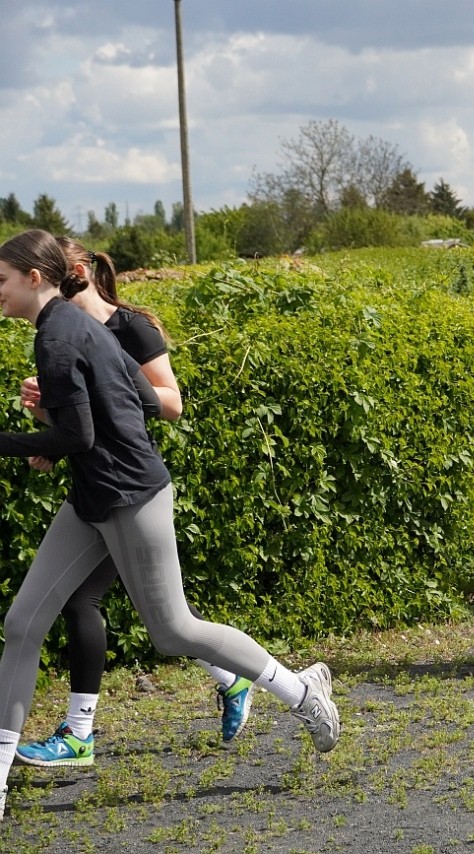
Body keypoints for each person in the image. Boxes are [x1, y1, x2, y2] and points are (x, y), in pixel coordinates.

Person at [0, 230, 339, 821]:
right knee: (22, 623)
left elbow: (84, 431)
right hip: (93, 496)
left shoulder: (59, 335)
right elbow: (134, 396)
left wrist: (41, 435)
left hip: (132, 496)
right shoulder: (72, 326)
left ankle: (303, 693)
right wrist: (69, 419)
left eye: (0, 280)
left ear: (34, 278)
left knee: (174, 630)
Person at [14, 240, 255, 770]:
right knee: (107, 606)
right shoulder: (62, 332)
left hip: (132, 483)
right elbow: (77, 426)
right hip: (96, 485)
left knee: (158, 617)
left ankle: (244, 678)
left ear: (73, 274)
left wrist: (110, 384)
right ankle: (83, 732)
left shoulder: (128, 328)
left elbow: (169, 403)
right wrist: (47, 418)